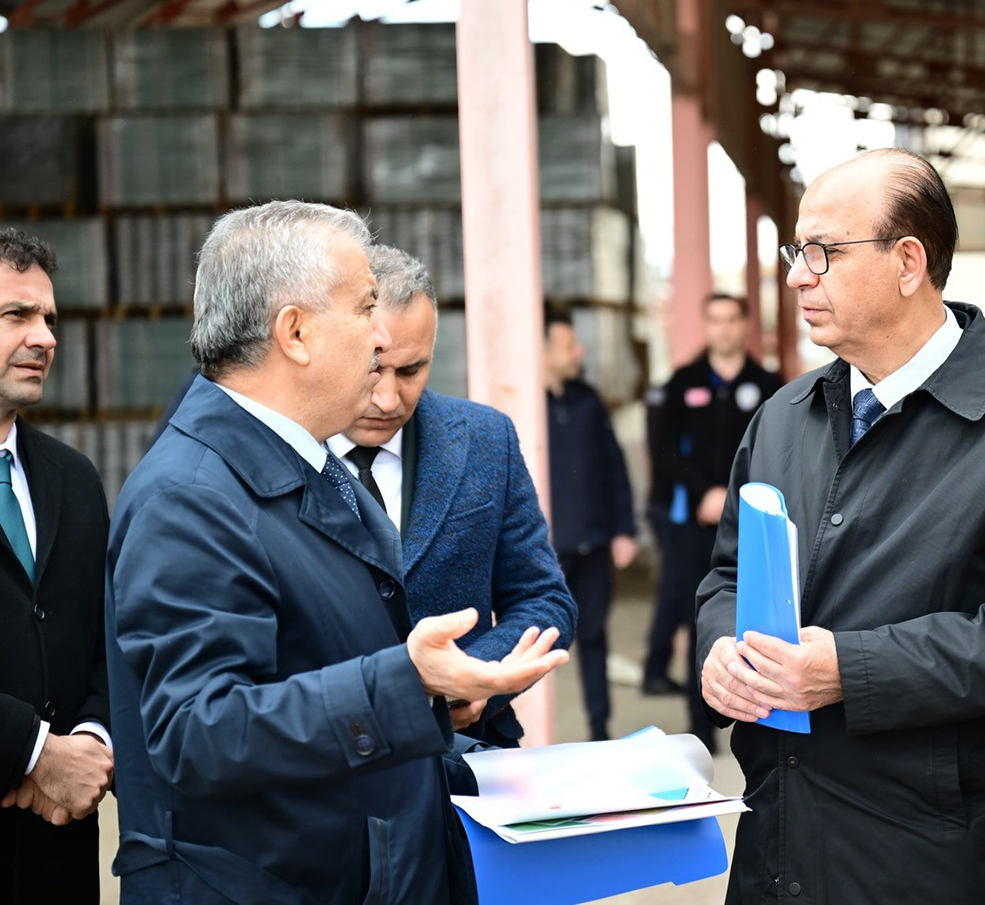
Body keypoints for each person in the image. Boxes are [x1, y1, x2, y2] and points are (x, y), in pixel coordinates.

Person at [104, 200, 568, 903]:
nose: (381, 338)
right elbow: (200, 731)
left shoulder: (299, 462)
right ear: (295, 333)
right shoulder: (189, 496)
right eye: (365, 307)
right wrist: (408, 683)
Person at [695, 148, 985, 903]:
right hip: (778, 844)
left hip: (931, 858)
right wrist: (722, 647)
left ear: (908, 262)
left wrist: (850, 670)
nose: (797, 276)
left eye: (823, 251)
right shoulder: (784, 417)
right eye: (797, 252)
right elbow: (727, 574)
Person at [327, 244, 576, 748]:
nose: (387, 399)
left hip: (467, 758)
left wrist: (475, 677)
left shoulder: (486, 439)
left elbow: (544, 599)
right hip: (329, 763)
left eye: (411, 371)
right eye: (372, 368)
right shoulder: (275, 449)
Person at [0, 229, 113, 902]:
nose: (44, 337)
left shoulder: (74, 478)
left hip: (59, 858)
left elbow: (108, 639)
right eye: (17, 315)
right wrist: (34, 752)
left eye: (48, 318)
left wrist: (91, 744)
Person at [645, 294, 782, 749]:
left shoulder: (769, 384)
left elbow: (783, 450)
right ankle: (701, 722)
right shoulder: (683, 382)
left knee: (755, 619)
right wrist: (705, 492)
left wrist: (740, 499)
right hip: (694, 527)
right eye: (715, 320)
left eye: (731, 320)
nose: (723, 329)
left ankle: (758, 714)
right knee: (698, 617)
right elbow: (663, 450)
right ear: (706, 325)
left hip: (753, 525)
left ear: (745, 325)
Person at [543, 308, 636, 741]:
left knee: (595, 636)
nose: (579, 352)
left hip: (594, 542)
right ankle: (532, 736)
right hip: (547, 550)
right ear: (543, 351)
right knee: (539, 644)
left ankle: (600, 728)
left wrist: (624, 529)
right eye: (569, 345)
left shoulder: (589, 401)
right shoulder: (524, 406)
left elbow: (614, 468)